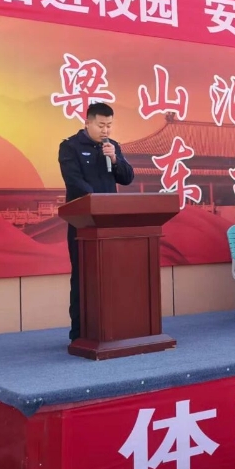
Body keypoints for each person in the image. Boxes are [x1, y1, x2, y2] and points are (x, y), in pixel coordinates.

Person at [58, 102, 134, 341]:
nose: (105, 130)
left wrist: (116, 160)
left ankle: (111, 327)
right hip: (83, 223)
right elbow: (74, 181)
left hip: (109, 223)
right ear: (87, 122)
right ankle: (80, 332)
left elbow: (127, 178)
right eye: (101, 125)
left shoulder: (113, 147)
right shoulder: (70, 147)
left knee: (111, 274)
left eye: (109, 125)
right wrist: (97, 201)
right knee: (83, 275)